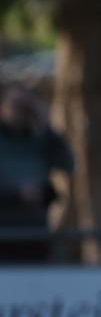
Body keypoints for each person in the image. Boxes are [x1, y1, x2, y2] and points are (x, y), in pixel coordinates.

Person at [0, 84, 74, 263]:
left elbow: (68, 164)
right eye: (15, 105)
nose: (20, 112)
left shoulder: (41, 140)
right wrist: (17, 194)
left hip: (35, 231)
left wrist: (45, 124)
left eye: (25, 107)